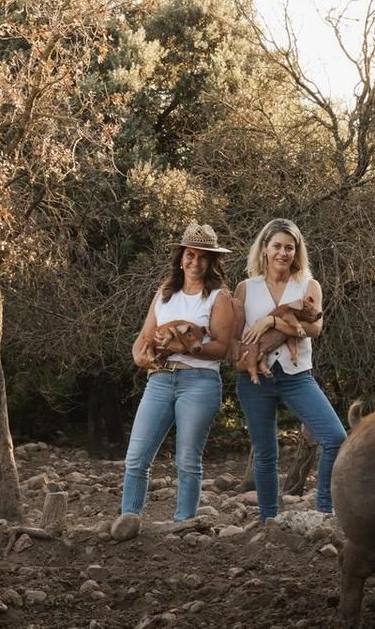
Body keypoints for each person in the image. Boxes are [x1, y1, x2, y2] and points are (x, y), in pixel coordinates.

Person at [112, 224, 234, 541]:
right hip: (160, 380)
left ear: (211, 261)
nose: (195, 262)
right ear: (181, 258)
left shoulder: (219, 297)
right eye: (190, 255)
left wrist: (185, 347)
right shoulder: (165, 294)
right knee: (137, 457)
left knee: (187, 460)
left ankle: (183, 526)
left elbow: (222, 347)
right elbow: (142, 340)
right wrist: (141, 356)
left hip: (200, 381)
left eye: (203, 257)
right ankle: (129, 520)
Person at [235, 218, 347, 521]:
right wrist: (247, 357)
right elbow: (238, 339)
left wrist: (271, 322)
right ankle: (268, 520)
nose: (283, 253)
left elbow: (315, 328)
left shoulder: (308, 286)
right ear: (265, 249)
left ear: (297, 251)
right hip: (254, 380)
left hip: (297, 377)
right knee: (265, 453)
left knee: (335, 438)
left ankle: (324, 510)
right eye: (277, 246)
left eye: (290, 247)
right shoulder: (246, 288)